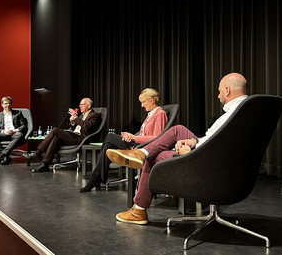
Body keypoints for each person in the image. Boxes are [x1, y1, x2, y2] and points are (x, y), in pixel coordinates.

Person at [106, 72, 248, 224]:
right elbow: (221, 142)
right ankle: (141, 153)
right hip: (210, 155)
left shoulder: (234, 114)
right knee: (178, 129)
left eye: (219, 91)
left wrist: (194, 151)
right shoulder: (244, 110)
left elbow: (222, 149)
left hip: (207, 164)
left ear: (227, 90)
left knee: (153, 156)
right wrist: (194, 141)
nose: (218, 96)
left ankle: (139, 208)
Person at [80, 88, 168, 192]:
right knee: (108, 144)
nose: (142, 105)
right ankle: (96, 178)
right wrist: (129, 135)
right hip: (138, 143)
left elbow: (157, 138)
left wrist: (134, 138)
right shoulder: (151, 114)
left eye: (144, 102)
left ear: (152, 100)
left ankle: (96, 178)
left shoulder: (160, 114)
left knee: (109, 137)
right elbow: (143, 133)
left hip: (142, 147)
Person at [30, 98, 102, 173]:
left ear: (89, 105)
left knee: (55, 130)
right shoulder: (82, 115)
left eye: (82, 104)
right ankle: (45, 164)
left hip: (83, 139)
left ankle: (39, 152)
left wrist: (76, 119)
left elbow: (87, 127)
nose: (80, 106)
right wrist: (73, 122)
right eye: (79, 104)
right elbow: (74, 128)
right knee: (56, 138)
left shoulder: (95, 115)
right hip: (75, 136)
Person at [0, 96, 28, 165]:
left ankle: (2, 156)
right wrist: (4, 131)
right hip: (4, 133)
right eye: (6, 103)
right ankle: (6, 157)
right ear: (2, 104)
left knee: (20, 135)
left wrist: (15, 130)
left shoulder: (18, 113)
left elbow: (23, 125)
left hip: (14, 133)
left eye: (9, 103)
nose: (8, 105)